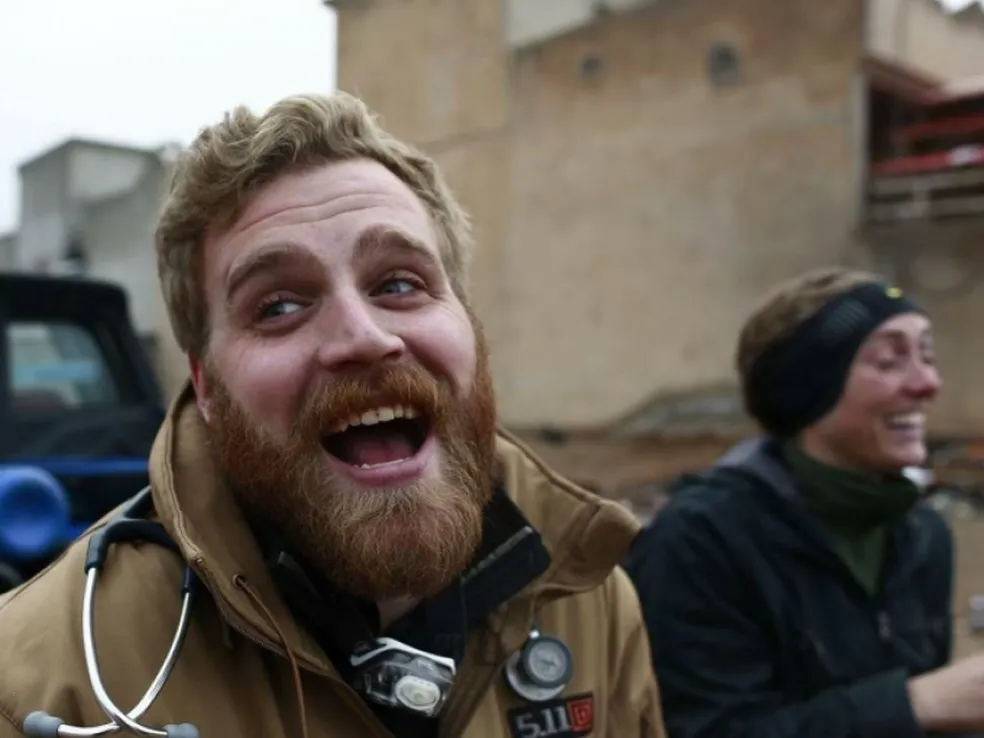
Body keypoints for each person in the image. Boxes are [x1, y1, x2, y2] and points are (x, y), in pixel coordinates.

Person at [0, 92, 663, 738]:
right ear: (205, 385)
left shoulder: (587, 599)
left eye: (399, 284)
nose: (364, 338)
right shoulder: (35, 682)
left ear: (468, 318)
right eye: (279, 306)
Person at [626, 267, 984, 738]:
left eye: (927, 356)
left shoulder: (922, 534)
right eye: (888, 362)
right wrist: (919, 702)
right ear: (809, 391)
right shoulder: (700, 541)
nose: (928, 384)